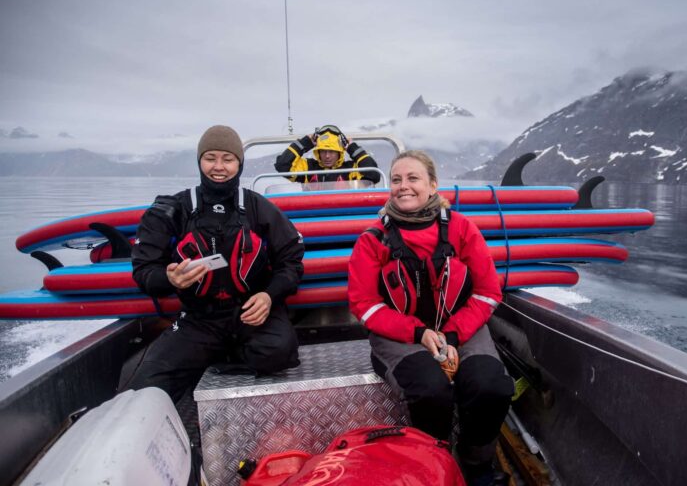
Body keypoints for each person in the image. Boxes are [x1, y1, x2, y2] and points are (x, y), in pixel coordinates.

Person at [347, 150, 515, 486]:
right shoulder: (372, 240)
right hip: (400, 336)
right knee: (430, 390)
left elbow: (487, 293)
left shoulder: (462, 229)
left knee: (492, 386)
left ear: (433, 185)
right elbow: (363, 304)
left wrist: (452, 335)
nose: (403, 186)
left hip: (461, 328)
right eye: (396, 180)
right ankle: (434, 466)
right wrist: (418, 333)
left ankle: (475, 464)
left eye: (413, 178)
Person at [125, 125, 304, 403]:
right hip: (199, 318)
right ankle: (207, 356)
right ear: (199, 161)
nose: (218, 167)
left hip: (251, 312)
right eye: (210, 158)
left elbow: (291, 262)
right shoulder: (172, 210)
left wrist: (269, 297)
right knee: (146, 385)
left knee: (279, 351)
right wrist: (168, 279)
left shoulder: (259, 208)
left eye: (227, 159)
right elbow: (144, 270)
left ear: (239, 164)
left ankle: (216, 358)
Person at [274, 124, 381, 185]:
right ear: (318, 152)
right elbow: (283, 166)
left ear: (339, 153)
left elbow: (373, 175)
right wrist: (305, 142)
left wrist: (352, 148)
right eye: (323, 151)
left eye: (331, 151)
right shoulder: (309, 168)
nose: (327, 156)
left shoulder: (351, 170)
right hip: (313, 213)